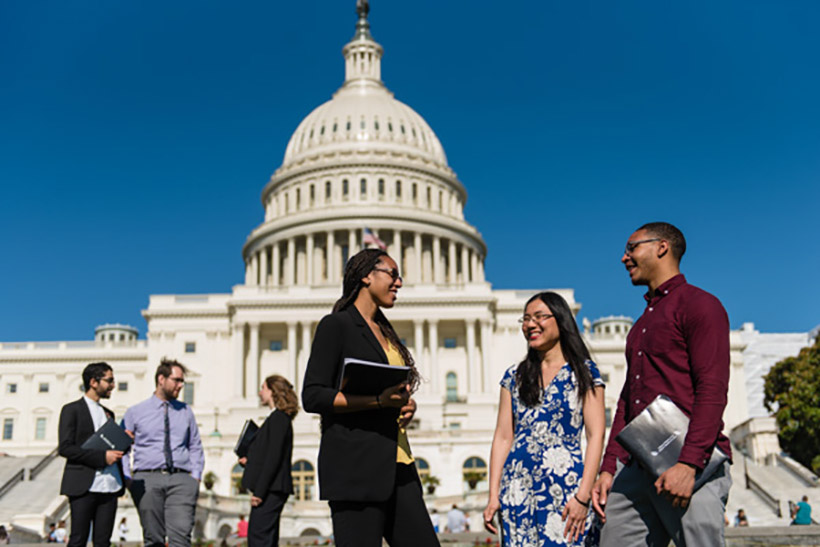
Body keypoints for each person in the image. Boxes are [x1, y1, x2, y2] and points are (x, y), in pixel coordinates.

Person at [591, 222, 733, 546]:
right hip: (638, 466)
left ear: (662, 247)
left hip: (689, 462)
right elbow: (628, 401)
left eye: (632, 248)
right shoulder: (639, 326)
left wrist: (689, 463)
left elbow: (712, 388)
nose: (624, 258)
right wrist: (609, 466)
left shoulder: (700, 305)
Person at [302, 248, 439, 547]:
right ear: (366, 275)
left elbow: (389, 392)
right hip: (356, 467)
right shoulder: (336, 325)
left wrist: (404, 403)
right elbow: (312, 396)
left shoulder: (386, 333)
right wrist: (378, 401)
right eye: (392, 273)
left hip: (399, 461)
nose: (399, 283)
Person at [482, 292, 606, 545]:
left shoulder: (584, 372)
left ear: (560, 320)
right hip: (517, 489)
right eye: (525, 319)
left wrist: (583, 496)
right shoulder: (514, 377)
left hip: (566, 487)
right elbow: (503, 438)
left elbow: (596, 436)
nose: (530, 324)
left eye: (539, 317)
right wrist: (494, 494)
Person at [122, 359, 204, 547]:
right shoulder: (135, 412)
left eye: (182, 381)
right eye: (177, 380)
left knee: (181, 538)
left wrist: (196, 477)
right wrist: (128, 478)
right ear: (161, 379)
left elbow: (195, 446)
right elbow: (123, 448)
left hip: (182, 480)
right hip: (147, 479)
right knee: (153, 539)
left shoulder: (185, 411)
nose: (181, 385)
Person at [57, 362, 125, 547]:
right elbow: (65, 447)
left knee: (103, 542)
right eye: (109, 380)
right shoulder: (71, 410)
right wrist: (102, 458)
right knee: (78, 539)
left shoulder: (109, 413)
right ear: (94, 382)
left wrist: (124, 442)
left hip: (110, 485)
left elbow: (112, 447)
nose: (113, 385)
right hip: (83, 484)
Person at [240, 375, 298, 546]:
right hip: (272, 488)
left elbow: (274, 457)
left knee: (259, 538)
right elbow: (268, 453)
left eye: (263, 388)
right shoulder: (277, 418)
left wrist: (259, 492)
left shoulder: (279, 418)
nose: (260, 392)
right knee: (265, 538)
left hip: (271, 489)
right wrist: (249, 460)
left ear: (273, 391)